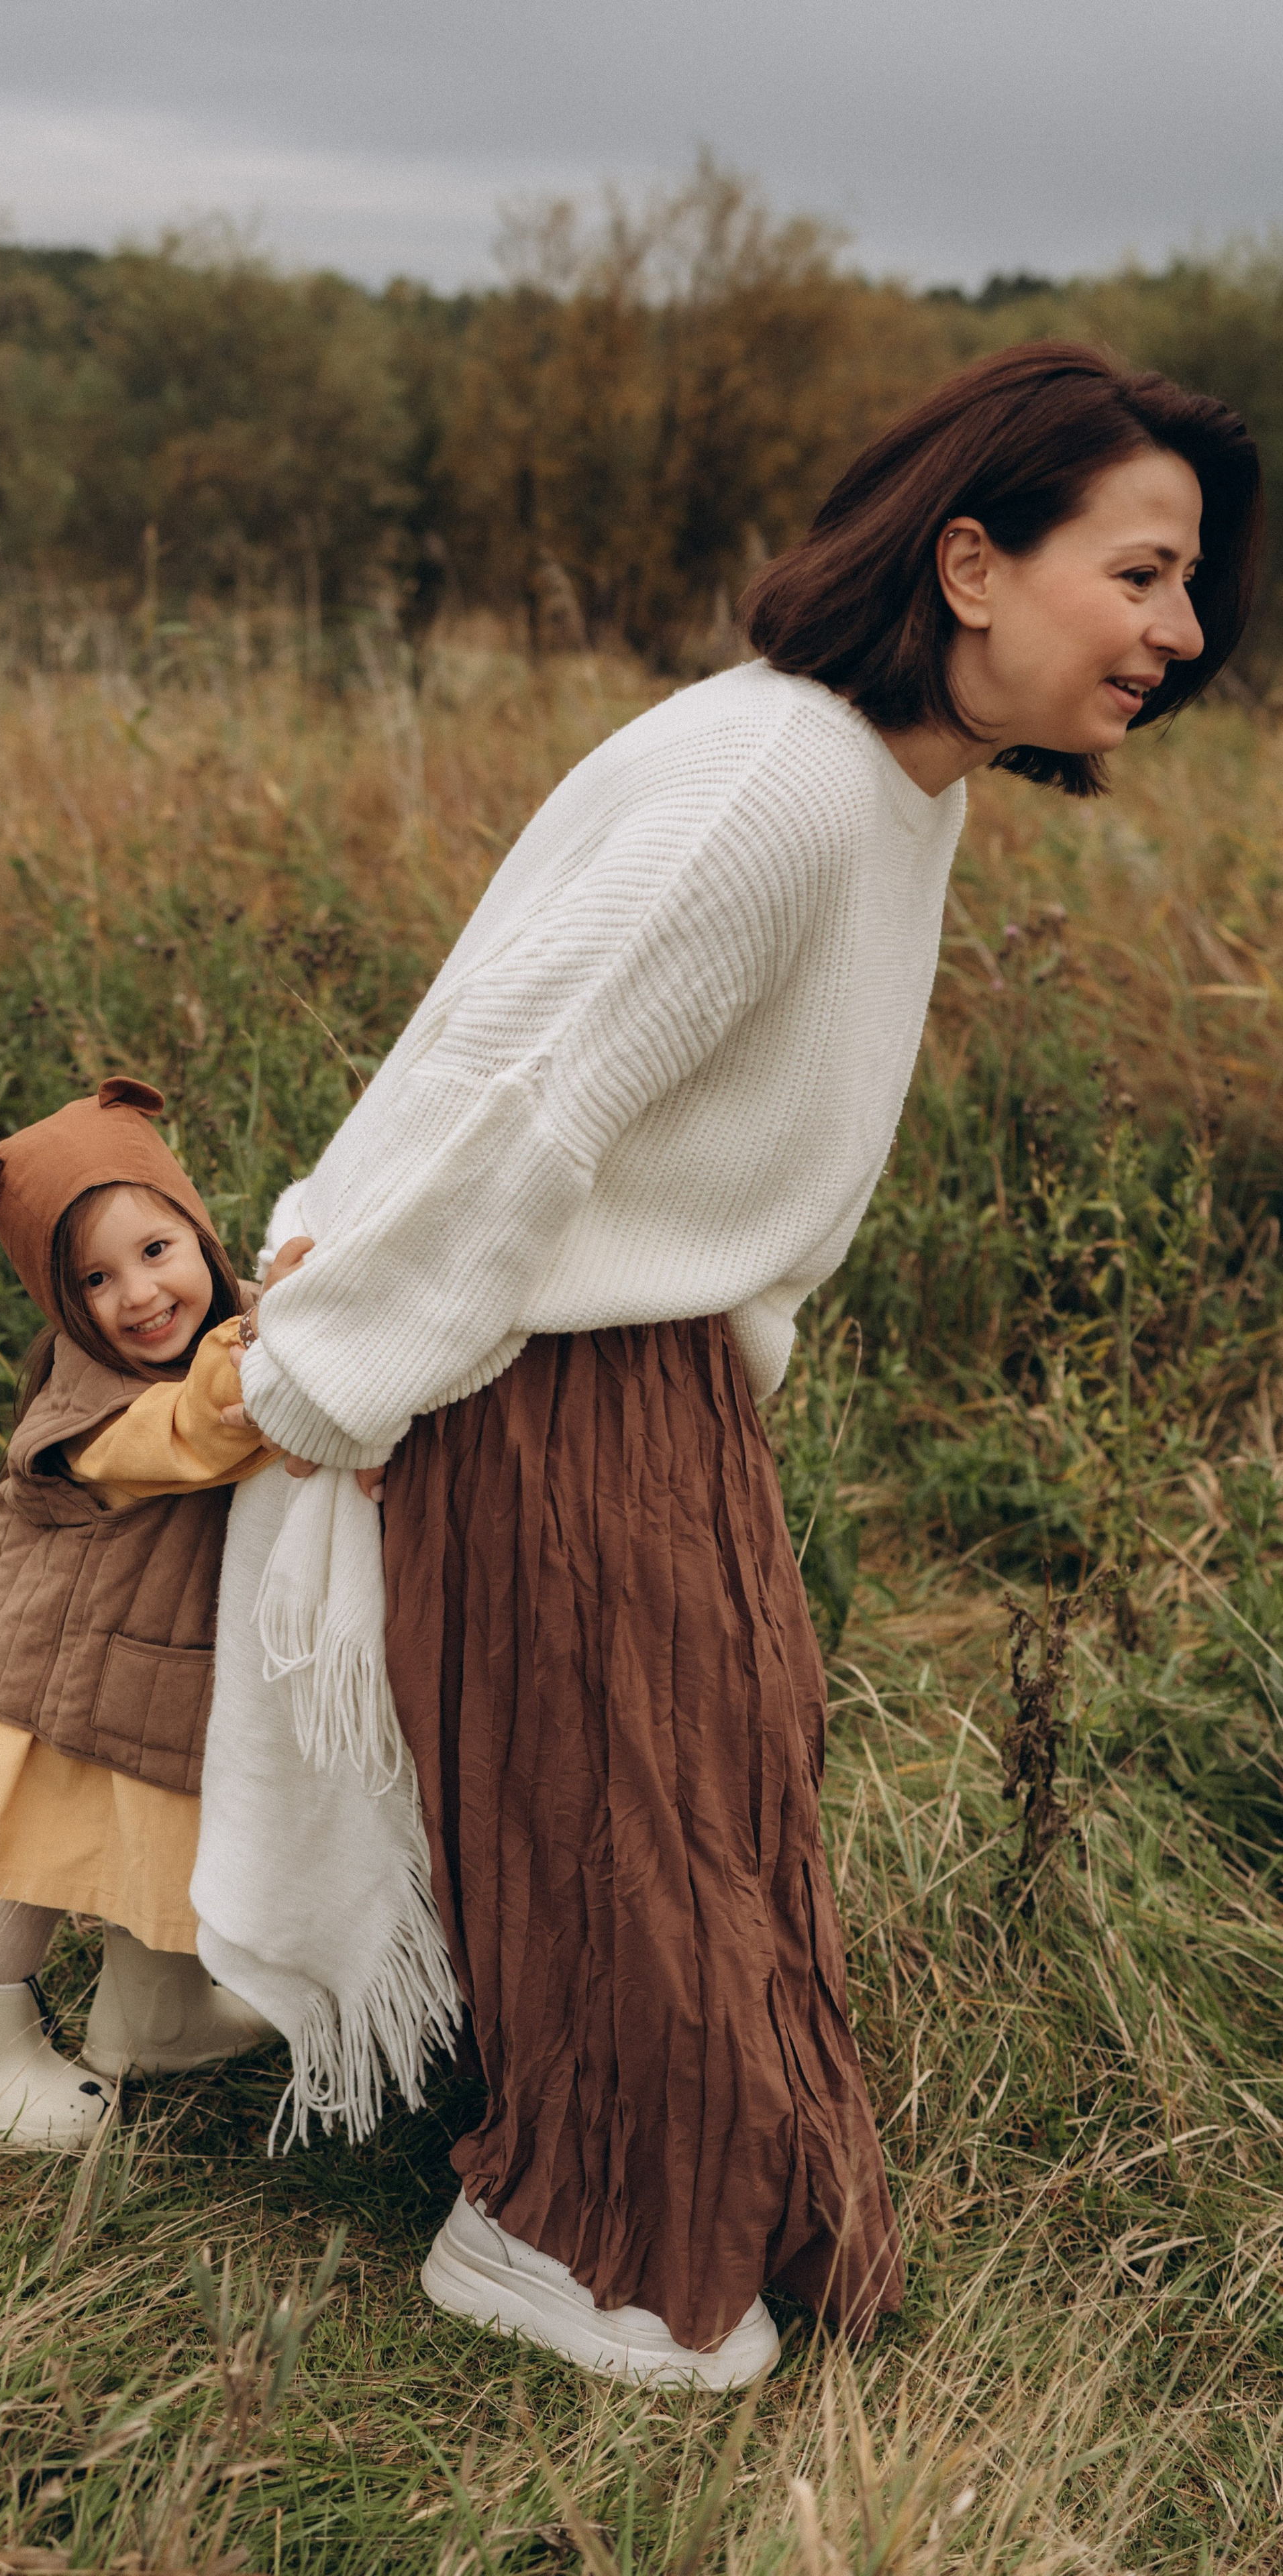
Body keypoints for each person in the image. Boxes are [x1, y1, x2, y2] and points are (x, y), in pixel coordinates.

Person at [227, 344, 1262, 2383]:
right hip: (535, 1384)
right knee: (634, 1845)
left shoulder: (888, 790)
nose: (1184, 631)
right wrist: (327, 1390)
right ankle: (567, 2235)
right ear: (973, 560)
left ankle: (648, 2189)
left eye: (1190, 586)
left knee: (716, 1814)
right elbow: (521, 1098)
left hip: (658, 1380)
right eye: (1141, 573)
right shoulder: (778, 787)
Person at [0, 1077, 278, 2151]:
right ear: (62, 1305)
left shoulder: (228, 1330)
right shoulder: (91, 1414)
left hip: (151, 1667)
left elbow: (252, 1352)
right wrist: (281, 1335)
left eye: (157, 1250)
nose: (139, 1294)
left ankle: (156, 2017)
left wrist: (294, 1301)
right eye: (95, 1279)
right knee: (42, 1861)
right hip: (64, 1685)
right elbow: (203, 1428)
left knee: (157, 1845)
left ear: (200, 1237)